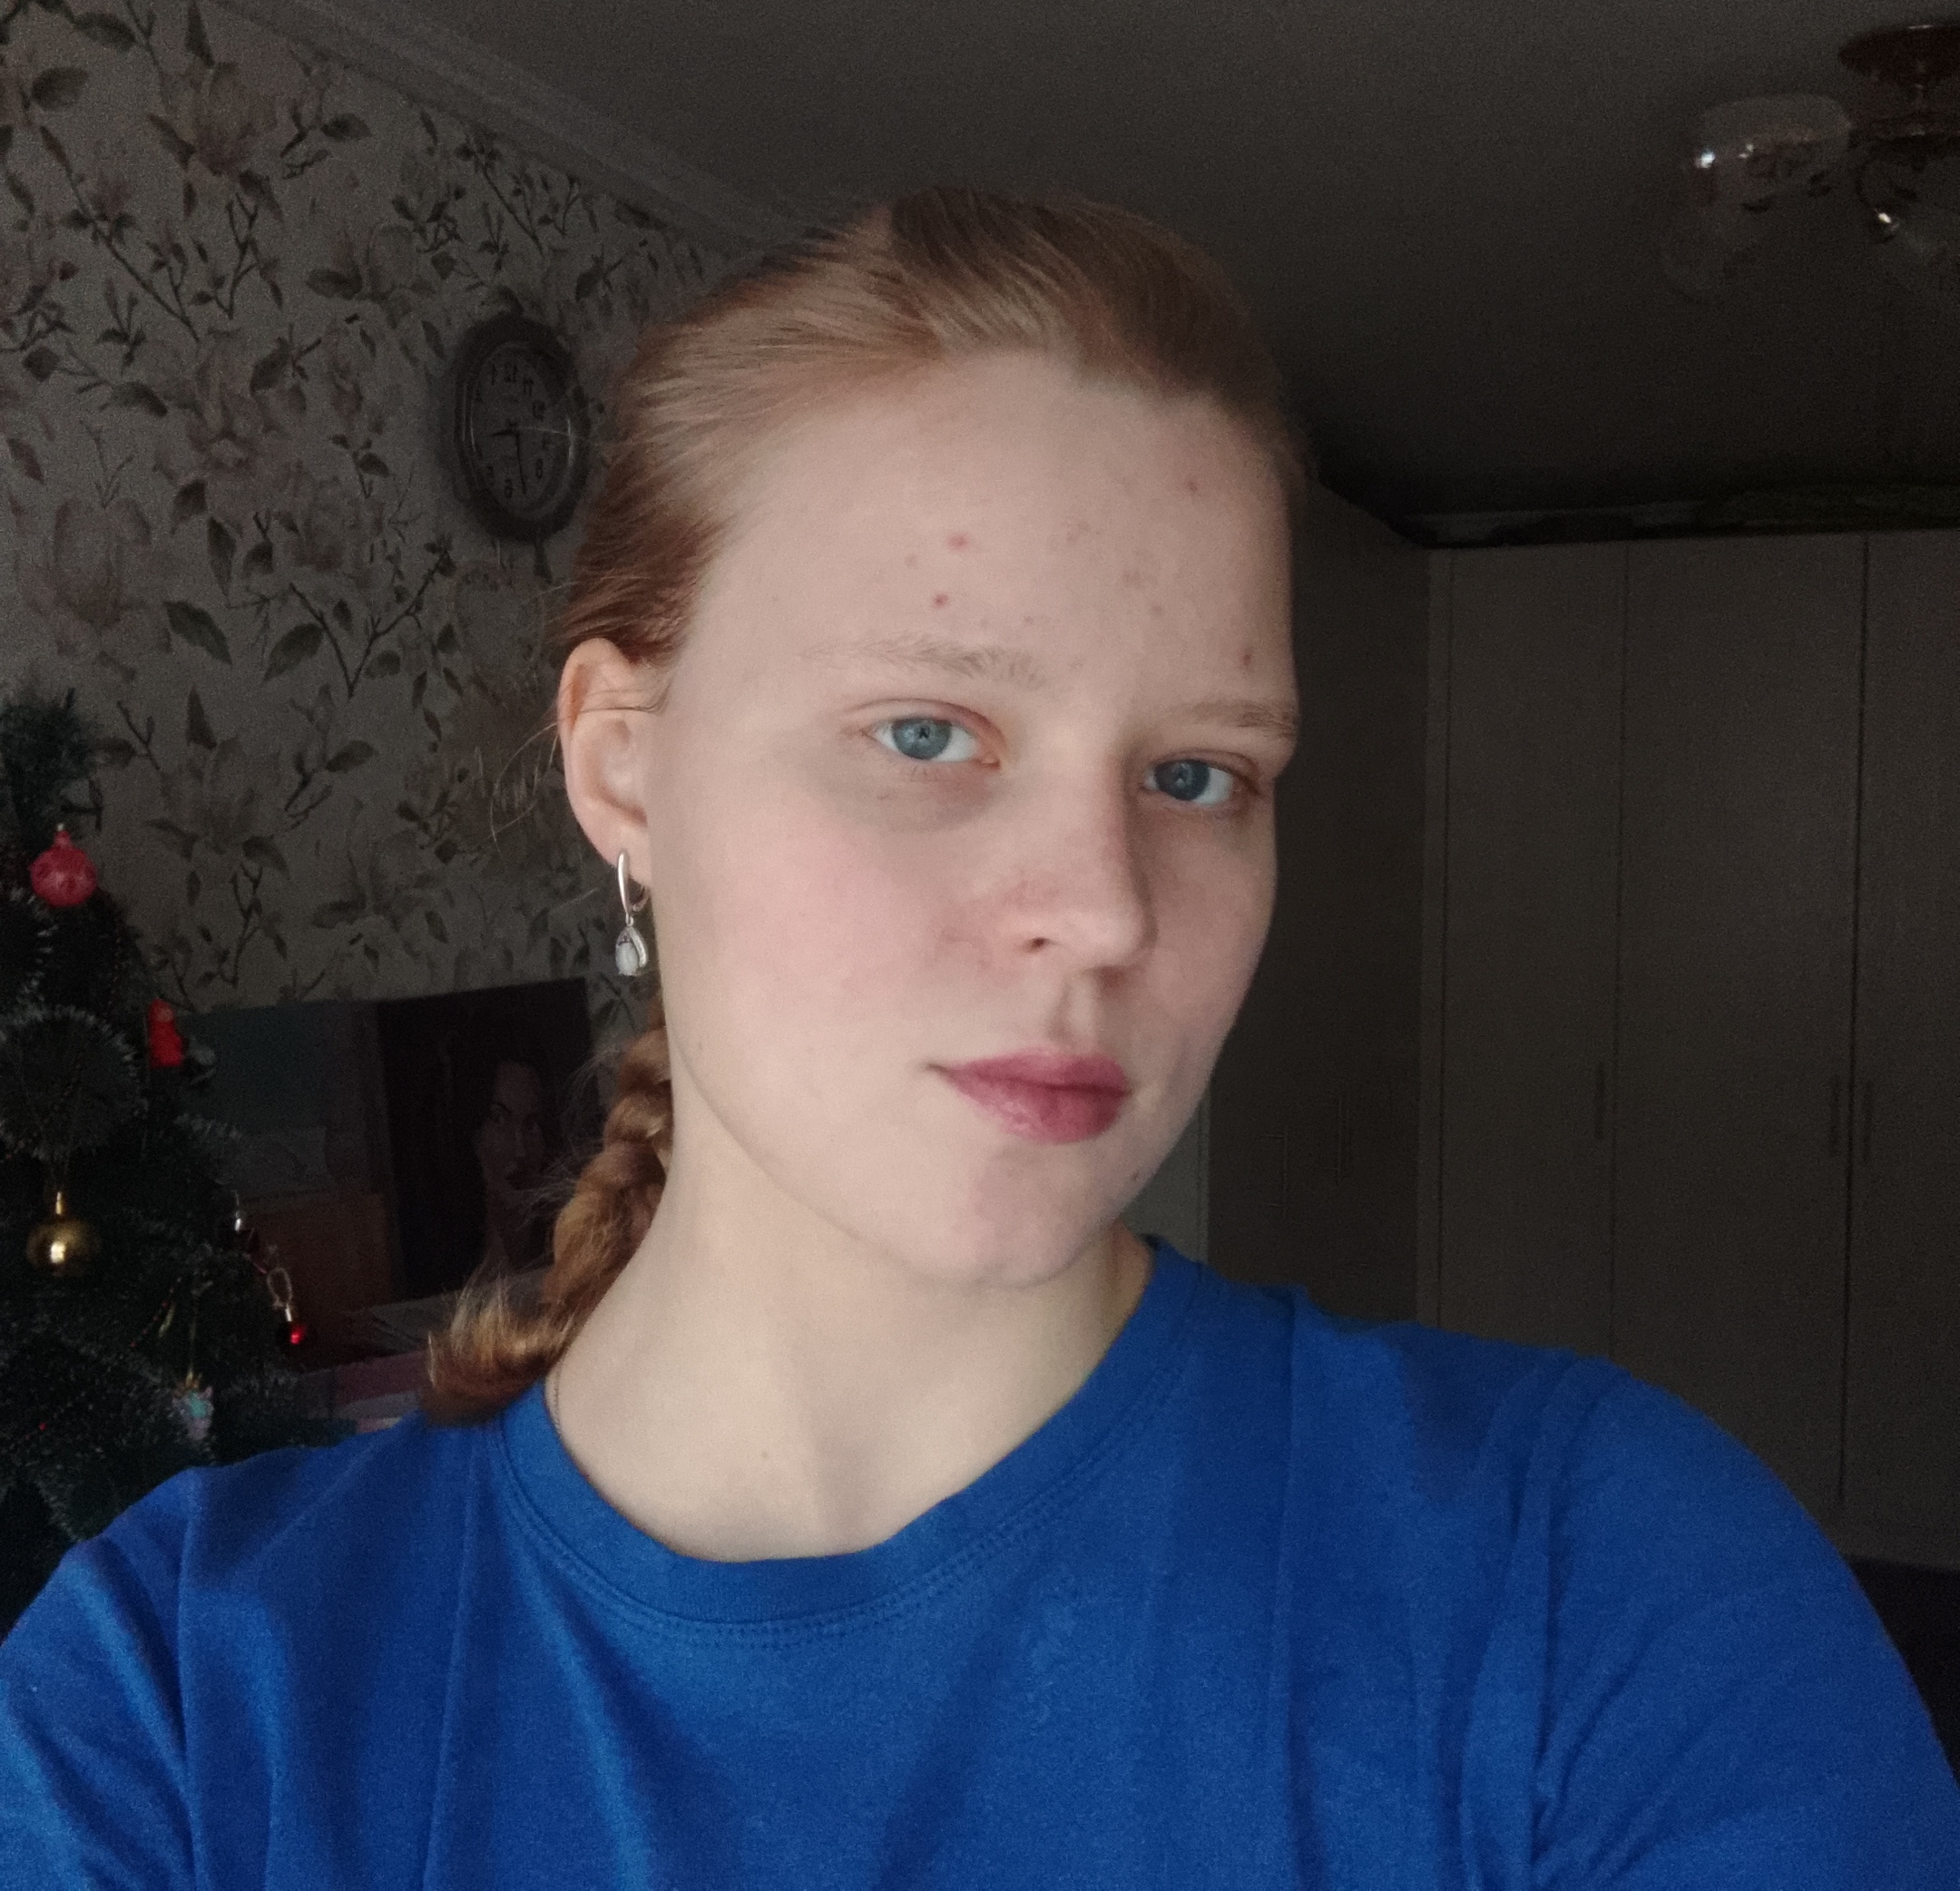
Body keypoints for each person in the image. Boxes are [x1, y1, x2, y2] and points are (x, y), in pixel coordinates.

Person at [1, 189, 1955, 1887]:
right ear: (624, 767)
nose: (1107, 910)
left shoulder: (1599, 1590)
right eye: (929, 733)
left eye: (1199, 772)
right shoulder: (177, 1704)